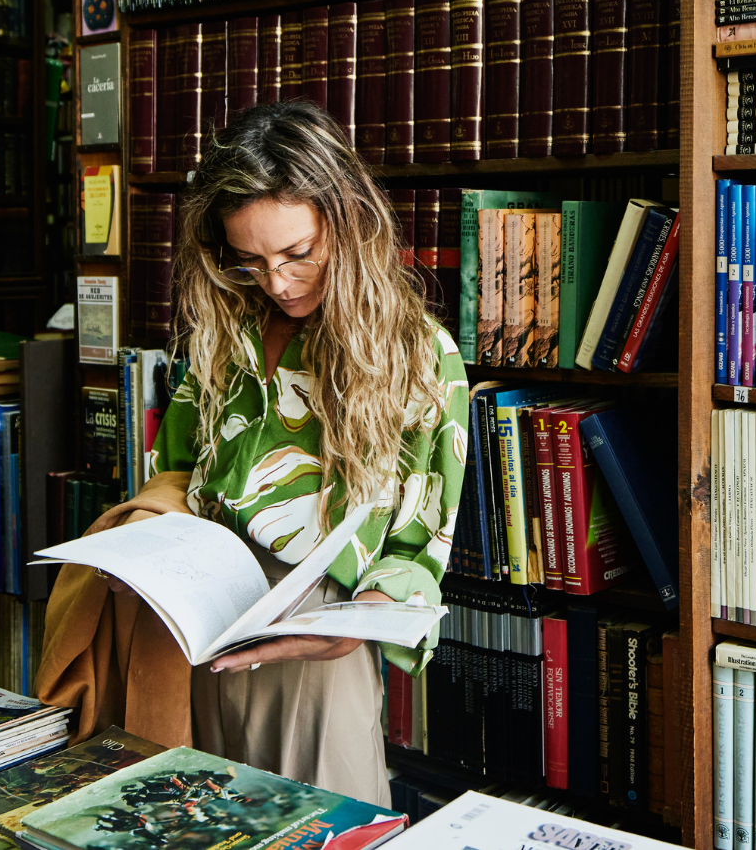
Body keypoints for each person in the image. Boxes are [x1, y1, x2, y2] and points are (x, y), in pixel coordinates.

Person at [38, 102, 468, 807]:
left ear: (349, 219)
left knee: (319, 824)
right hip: (191, 631)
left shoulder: (419, 356)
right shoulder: (225, 329)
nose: (277, 282)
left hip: (311, 645)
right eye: (252, 261)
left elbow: (418, 548)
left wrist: (353, 623)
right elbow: (173, 471)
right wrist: (142, 548)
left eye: (299, 252)